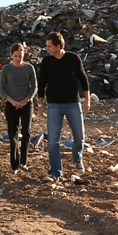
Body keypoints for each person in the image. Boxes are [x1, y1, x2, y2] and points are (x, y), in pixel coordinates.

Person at [37, 32, 90, 182]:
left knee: (80, 136)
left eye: (49, 46)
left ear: (58, 46)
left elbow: (83, 78)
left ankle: (77, 158)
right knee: (53, 140)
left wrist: (87, 100)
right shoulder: (47, 62)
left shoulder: (73, 59)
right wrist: (41, 104)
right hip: (53, 105)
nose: (46, 48)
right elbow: (41, 83)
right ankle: (55, 171)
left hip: (73, 103)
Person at [0, 42, 37, 175]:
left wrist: (26, 100)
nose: (18, 58)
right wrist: (13, 101)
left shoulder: (29, 68)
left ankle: (23, 161)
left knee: (26, 132)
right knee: (13, 133)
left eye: (20, 55)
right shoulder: (6, 69)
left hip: (26, 103)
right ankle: (14, 164)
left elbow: (34, 87)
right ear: (11, 56)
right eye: (15, 56)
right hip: (11, 104)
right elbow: (2, 88)